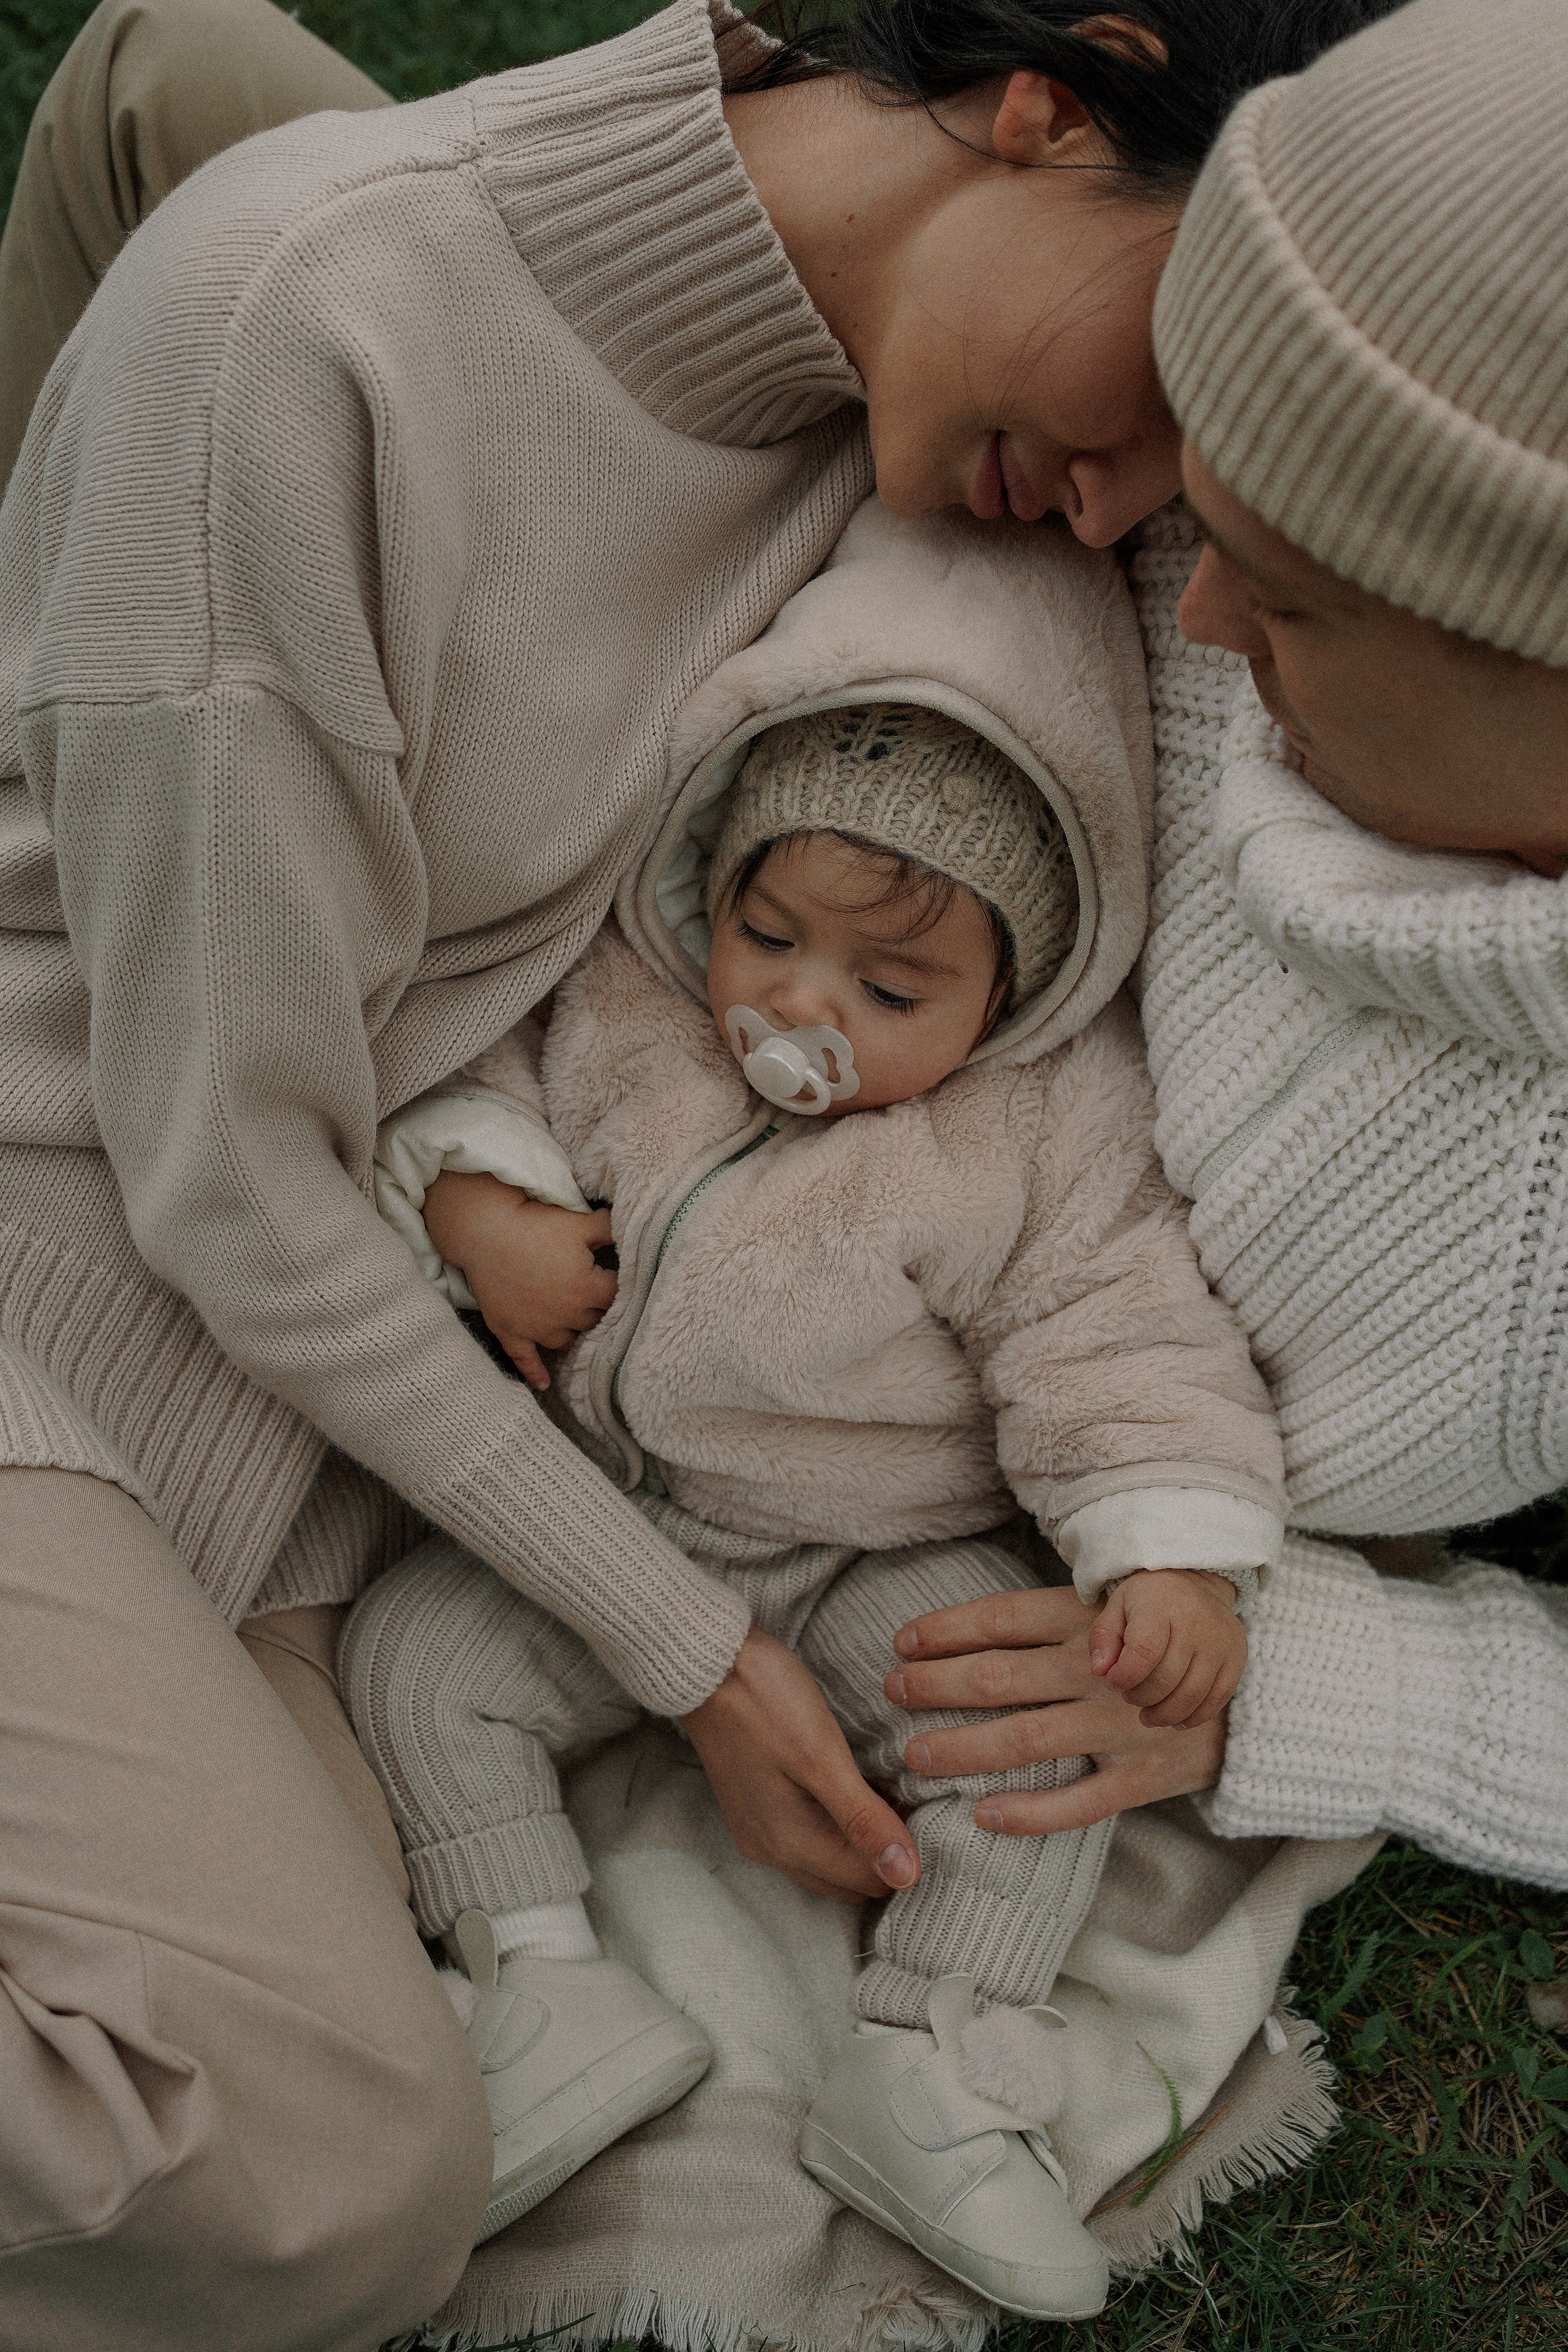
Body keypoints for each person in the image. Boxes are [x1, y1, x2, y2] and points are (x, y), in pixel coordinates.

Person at [0, 0, 1406, 2341]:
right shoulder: (306, 347)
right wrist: (701, 1659)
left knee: (405, 2104)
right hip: (94, 1267)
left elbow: (172, 68)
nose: (1135, 514)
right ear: (1058, 95)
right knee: (322, 2187)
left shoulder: (856, 385)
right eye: (1168, 398)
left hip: (311, 1409)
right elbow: (234, 1200)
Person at [345, 496, 1282, 2315]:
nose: (797, 1005)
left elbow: (1123, 1335)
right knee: (408, 1658)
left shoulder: (1030, 1126)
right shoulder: (637, 998)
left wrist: (1171, 1551)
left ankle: (927, 2054)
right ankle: (544, 1980)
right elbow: (466, 1048)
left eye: (893, 984)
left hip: (869, 1551)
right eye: (766, 932)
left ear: (1013, 979)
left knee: (1046, 1743)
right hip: (605, 1525)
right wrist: (477, 1195)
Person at [887, 0, 1568, 1901]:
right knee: (191, 100)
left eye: (1285, 596)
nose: (1185, 614)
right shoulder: (1239, 552)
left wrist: (1324, 1671)